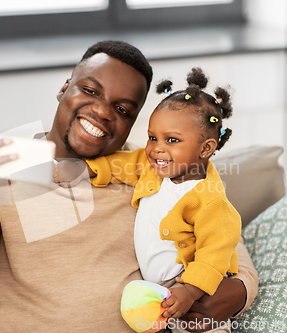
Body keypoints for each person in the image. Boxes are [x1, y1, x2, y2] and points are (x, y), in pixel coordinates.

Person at [0, 40, 258, 333]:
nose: (101, 111)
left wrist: (240, 292)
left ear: (132, 123)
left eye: (122, 109)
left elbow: (223, 235)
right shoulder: (5, 163)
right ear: (64, 87)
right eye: (90, 90)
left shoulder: (152, 169)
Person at [56, 67, 241, 332]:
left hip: (192, 287)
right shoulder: (151, 165)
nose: (157, 148)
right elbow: (123, 164)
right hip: (159, 290)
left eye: (172, 140)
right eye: (153, 137)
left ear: (206, 148)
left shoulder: (211, 202)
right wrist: (88, 169)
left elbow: (215, 253)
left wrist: (190, 291)